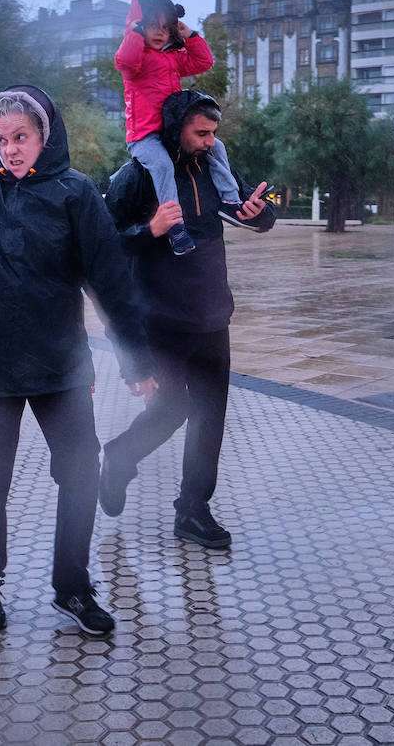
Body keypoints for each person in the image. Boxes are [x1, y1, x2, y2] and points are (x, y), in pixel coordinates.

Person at [0, 85, 157, 637]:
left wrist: (136, 361)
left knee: (79, 475)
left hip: (59, 368)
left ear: (45, 135)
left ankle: (71, 586)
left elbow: (111, 283)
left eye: (20, 137)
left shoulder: (76, 194)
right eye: (1, 140)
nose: (9, 150)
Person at [100, 89, 275, 549]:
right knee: (170, 410)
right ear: (175, 128)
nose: (210, 141)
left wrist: (259, 215)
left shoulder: (212, 165)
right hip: (160, 321)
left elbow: (251, 211)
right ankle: (119, 458)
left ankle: (193, 510)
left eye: (214, 132)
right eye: (201, 133)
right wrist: (149, 229)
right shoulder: (136, 176)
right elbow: (102, 248)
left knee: (210, 417)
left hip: (213, 316)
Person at [114, 0, 241, 256]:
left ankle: (230, 200)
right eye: (152, 26)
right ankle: (176, 227)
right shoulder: (136, 61)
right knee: (161, 164)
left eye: (165, 27)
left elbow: (203, 61)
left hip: (172, 133)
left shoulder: (172, 57)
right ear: (138, 26)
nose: (160, 33)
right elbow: (124, 61)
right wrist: (135, 34)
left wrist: (190, 35)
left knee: (216, 145)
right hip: (144, 137)